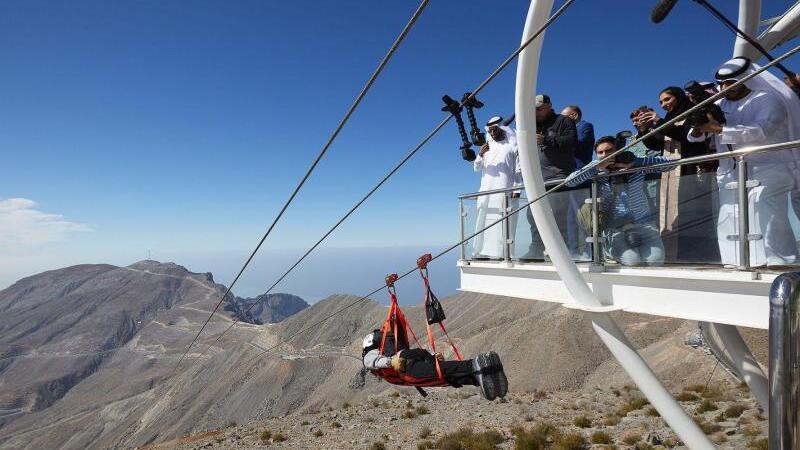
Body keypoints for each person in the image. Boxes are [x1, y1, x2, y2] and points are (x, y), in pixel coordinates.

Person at [688, 57, 800, 267]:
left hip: (768, 168)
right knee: (729, 218)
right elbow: (694, 138)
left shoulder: (767, 99)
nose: (725, 88)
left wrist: (718, 129)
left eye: (731, 82)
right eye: (722, 84)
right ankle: (736, 263)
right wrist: (699, 126)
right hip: (730, 171)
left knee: (766, 216)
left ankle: (781, 264)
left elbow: (761, 131)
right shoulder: (718, 103)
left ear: (746, 79)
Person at [635, 87, 720, 264]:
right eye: (661, 102)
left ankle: (699, 257)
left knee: (692, 213)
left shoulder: (692, 112)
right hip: (670, 172)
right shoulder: (668, 119)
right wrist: (644, 129)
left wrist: (659, 122)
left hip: (690, 170)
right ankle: (675, 256)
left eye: (667, 99)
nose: (664, 104)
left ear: (679, 97)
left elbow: (686, 136)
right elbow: (656, 143)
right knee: (669, 214)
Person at [565, 137, 674, 266]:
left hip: (643, 223)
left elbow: (672, 164)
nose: (605, 155)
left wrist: (635, 163)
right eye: (600, 153)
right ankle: (608, 250)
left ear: (618, 150)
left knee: (655, 261)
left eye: (609, 150)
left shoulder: (634, 164)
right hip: (614, 229)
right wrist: (596, 168)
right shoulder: (597, 168)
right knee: (632, 261)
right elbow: (569, 182)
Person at [361, 330, 508, 400]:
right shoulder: (388, 346)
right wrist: (431, 357)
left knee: (441, 373)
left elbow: (372, 362)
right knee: (444, 377)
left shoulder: (369, 353)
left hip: (406, 367)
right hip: (414, 355)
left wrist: (389, 362)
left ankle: (474, 364)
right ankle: (480, 376)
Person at [522, 94, 578, 260]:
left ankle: (562, 252)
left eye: (539, 108)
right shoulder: (534, 124)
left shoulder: (563, 121)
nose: (536, 112)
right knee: (533, 216)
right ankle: (537, 250)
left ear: (549, 105)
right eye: (534, 109)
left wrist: (546, 139)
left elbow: (572, 141)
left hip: (558, 177)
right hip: (538, 180)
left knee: (559, 215)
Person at [472, 116, 520, 259]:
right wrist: (480, 154)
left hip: (504, 189)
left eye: (495, 130)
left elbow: (518, 170)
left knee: (504, 221)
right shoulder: (487, 146)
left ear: (502, 129)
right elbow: (476, 167)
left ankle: (504, 254)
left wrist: (517, 189)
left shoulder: (512, 145)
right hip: (486, 190)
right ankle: (480, 252)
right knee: (484, 220)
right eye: (490, 130)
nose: (492, 133)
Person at [561, 105, 595, 260]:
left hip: (581, 176)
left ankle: (590, 251)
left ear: (574, 115)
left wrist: (557, 139)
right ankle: (573, 251)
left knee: (583, 215)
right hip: (570, 178)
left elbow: (577, 144)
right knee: (571, 218)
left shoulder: (585, 126)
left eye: (564, 117)